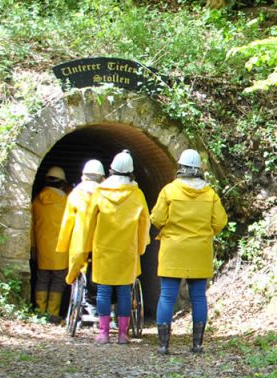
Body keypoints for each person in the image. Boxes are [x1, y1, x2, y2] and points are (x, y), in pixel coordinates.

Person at [150, 149, 227, 355]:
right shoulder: (210, 194)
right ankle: (197, 344)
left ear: (180, 167)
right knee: (199, 297)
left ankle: (164, 345)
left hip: (173, 249)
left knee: (167, 296)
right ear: (199, 169)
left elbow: (157, 218)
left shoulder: (169, 191)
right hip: (199, 250)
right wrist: (205, 233)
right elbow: (220, 221)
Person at [76, 150, 150, 345]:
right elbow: (145, 223)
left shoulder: (100, 192)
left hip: (103, 249)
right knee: (125, 291)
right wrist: (141, 247)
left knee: (103, 291)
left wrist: (85, 247)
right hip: (127, 250)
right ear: (131, 172)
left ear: (110, 170)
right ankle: (123, 334)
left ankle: (103, 333)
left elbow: (89, 221)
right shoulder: (137, 194)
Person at [57, 159, 106, 320]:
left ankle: (82, 304)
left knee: (79, 272)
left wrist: (62, 245)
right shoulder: (106, 193)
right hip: (102, 241)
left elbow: (67, 221)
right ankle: (100, 306)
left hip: (80, 240)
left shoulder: (76, 193)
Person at [31, 166, 69, 322]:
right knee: (58, 281)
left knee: (42, 279)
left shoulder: (36, 201)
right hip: (61, 250)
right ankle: (53, 314)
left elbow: (30, 226)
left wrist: (33, 246)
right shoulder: (65, 202)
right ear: (62, 183)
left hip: (42, 249)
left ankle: (40, 311)